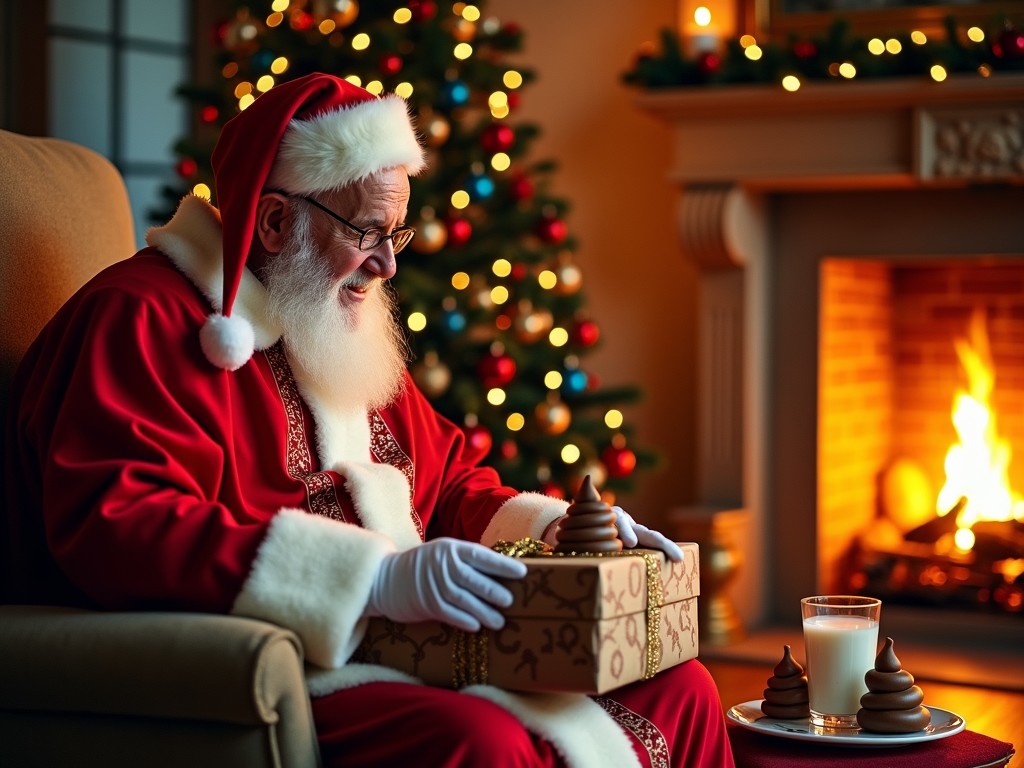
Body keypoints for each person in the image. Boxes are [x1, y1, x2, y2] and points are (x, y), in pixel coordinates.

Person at [3, 73, 735, 767]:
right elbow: (117, 524)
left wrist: (564, 534)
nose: (386, 265)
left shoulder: (327, 315)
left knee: (681, 690)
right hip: (284, 649)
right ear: (275, 220)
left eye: (398, 235)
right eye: (368, 232)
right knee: (479, 740)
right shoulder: (138, 318)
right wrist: (374, 578)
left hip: (405, 642)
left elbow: (446, 480)